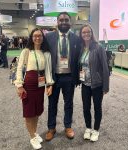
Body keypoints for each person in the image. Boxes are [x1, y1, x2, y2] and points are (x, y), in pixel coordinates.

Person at [15, 28, 54, 150]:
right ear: (31, 38)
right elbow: (19, 68)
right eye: (35, 36)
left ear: (43, 38)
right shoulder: (26, 51)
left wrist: (49, 84)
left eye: (40, 36)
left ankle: (35, 132)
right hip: (29, 85)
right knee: (29, 113)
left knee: (37, 111)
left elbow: (47, 71)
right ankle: (32, 137)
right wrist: (19, 85)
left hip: (40, 86)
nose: (37, 38)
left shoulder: (45, 53)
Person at [45, 12, 81, 141]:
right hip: (53, 77)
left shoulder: (76, 38)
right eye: (61, 20)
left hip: (69, 77)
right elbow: (44, 57)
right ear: (57, 22)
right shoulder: (48, 37)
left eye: (66, 20)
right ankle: (51, 128)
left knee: (69, 103)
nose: (64, 22)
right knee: (52, 104)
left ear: (70, 22)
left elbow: (78, 58)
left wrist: (78, 77)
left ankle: (68, 126)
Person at [79, 24, 109, 142]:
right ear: (81, 35)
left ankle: (96, 130)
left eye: (88, 32)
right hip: (85, 84)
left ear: (92, 33)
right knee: (86, 108)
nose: (86, 34)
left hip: (97, 84)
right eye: (84, 32)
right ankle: (88, 128)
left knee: (97, 108)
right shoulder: (81, 48)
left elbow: (105, 68)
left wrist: (106, 85)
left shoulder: (98, 47)